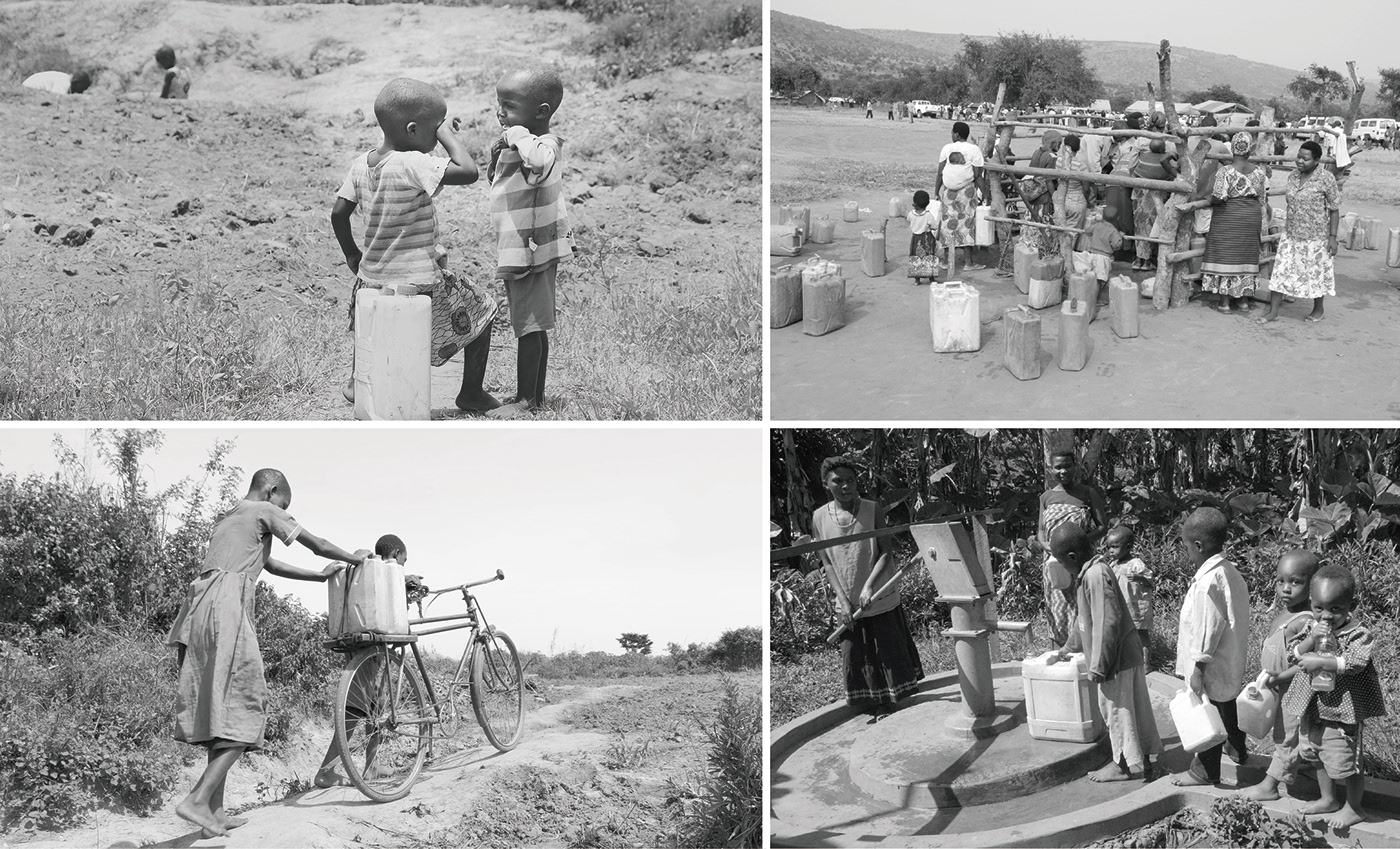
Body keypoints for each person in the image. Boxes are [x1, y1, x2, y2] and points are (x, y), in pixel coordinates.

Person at [166, 469, 365, 837]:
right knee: (249, 705)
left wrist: (318, 576)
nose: (283, 511)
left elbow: (269, 564)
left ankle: (215, 812)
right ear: (272, 491)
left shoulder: (230, 517)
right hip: (227, 607)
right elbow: (317, 544)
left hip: (198, 610)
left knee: (222, 711)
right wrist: (358, 561)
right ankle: (197, 800)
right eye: (283, 504)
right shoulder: (264, 510)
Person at [332, 78, 498, 412]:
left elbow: (338, 213)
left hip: (371, 276)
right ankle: (471, 392)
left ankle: (356, 382)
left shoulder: (361, 164)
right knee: (483, 311)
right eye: (433, 130)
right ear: (412, 130)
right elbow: (469, 171)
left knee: (370, 328)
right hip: (418, 280)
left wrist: (351, 253)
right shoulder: (411, 162)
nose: (435, 139)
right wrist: (447, 135)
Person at [484, 66, 573, 419]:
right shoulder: (521, 146)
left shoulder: (544, 146)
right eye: (499, 104)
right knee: (532, 325)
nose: (500, 113)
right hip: (521, 248)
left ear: (541, 112)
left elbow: (539, 160)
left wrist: (517, 134)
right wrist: (499, 151)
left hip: (532, 251)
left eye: (509, 106)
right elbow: (500, 180)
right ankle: (534, 394)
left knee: (529, 326)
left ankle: (526, 400)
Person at [805, 456, 923, 721]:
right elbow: (827, 563)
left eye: (850, 480)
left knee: (886, 648)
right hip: (846, 597)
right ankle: (870, 702)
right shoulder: (819, 517)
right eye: (838, 481)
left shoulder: (872, 509)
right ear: (826, 484)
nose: (846, 486)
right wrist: (843, 600)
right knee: (858, 652)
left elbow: (885, 551)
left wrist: (869, 586)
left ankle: (887, 704)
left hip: (878, 593)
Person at [1051, 524, 1161, 782]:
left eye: (1061, 563)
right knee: (1134, 711)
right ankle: (1143, 760)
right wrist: (1068, 647)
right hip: (1125, 654)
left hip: (1115, 660)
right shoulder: (1093, 572)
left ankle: (1121, 767)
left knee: (1116, 712)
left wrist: (1100, 665)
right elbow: (1084, 619)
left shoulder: (1094, 576)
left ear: (1072, 557)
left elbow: (1107, 622)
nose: (1063, 568)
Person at [1288, 564, 1387, 829]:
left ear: (1350, 605)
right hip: (1314, 706)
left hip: (1343, 711)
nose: (1326, 616)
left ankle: (1354, 808)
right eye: (1319, 608)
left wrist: (1323, 662)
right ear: (1311, 603)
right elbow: (1292, 654)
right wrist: (1310, 641)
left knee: (1347, 758)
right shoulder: (1311, 627)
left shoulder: (1357, 634)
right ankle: (1328, 798)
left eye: (1335, 609)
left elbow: (1356, 662)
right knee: (1317, 753)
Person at [315, 533, 409, 789]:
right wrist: (362, 556)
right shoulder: (371, 564)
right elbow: (358, 555)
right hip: (365, 647)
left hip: (374, 648)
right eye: (404, 560)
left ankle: (372, 765)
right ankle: (326, 771)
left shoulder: (383, 578)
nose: (402, 566)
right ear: (397, 555)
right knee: (356, 708)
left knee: (375, 705)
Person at [1172, 507, 1251, 787]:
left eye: (1186, 547)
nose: (1187, 554)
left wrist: (1197, 669)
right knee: (1225, 702)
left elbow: (1207, 629)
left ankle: (1205, 771)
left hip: (1210, 663)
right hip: (1229, 657)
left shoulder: (1208, 581)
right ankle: (1237, 748)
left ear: (1198, 546)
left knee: (1208, 712)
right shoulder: (1229, 572)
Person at [1239, 549, 1321, 802]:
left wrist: (1281, 676)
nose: (1286, 588)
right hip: (1278, 686)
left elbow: (1308, 663)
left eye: (1295, 582)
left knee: (1287, 736)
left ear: (1312, 585)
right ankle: (1304, 766)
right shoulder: (1286, 612)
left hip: (1294, 690)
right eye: (1280, 581)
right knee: (1288, 733)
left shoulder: (1306, 621)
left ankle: (1271, 785)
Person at [1257, 141, 1339, 323]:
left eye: (1305, 159)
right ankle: (1273, 312)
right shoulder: (1293, 176)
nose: (1300, 161)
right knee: (1280, 271)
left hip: (1316, 236)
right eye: (1298, 157)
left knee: (1315, 273)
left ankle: (1318, 308)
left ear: (1316, 160)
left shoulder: (1326, 178)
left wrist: (1333, 237)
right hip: (1291, 234)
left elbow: (1334, 209)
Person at [1036, 450, 1108, 648]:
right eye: (1058, 467)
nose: (1063, 471)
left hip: (1080, 561)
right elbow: (1041, 530)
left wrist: (1078, 541)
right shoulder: (1046, 497)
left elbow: (1102, 527)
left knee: (1083, 606)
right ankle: (1059, 653)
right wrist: (1045, 545)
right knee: (1056, 608)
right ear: (1050, 469)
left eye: (1067, 465)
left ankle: (1086, 653)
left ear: (1075, 467)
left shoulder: (1087, 493)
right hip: (1053, 563)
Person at [1201, 133, 1268, 313]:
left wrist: (1207, 197)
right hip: (1251, 217)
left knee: (1225, 255)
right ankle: (1243, 301)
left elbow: (1219, 197)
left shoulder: (1225, 171)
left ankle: (1224, 303)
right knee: (1246, 256)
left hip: (1229, 217)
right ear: (1249, 149)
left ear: (1232, 148)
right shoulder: (1259, 173)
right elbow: (1262, 199)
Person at [935, 121, 987, 272]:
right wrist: (986, 194)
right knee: (967, 225)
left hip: (949, 192)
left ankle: (946, 261)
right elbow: (978, 175)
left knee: (947, 224)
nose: (951, 134)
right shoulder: (974, 150)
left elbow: (940, 173)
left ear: (957, 134)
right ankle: (968, 263)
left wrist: (936, 191)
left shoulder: (947, 148)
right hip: (967, 192)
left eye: (952, 132)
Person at [1104, 525, 1153, 667]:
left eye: (1115, 547)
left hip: (1136, 608)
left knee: (1141, 635)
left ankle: (1146, 664)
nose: (1111, 550)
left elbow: (1150, 581)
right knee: (1123, 635)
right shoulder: (1113, 564)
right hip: (1121, 607)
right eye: (1109, 547)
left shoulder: (1136, 564)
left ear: (1128, 547)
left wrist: (1139, 577)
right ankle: (1128, 661)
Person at [1022, 129, 1063, 259]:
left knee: (1032, 224)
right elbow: (1049, 180)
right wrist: (1055, 197)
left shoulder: (1037, 153)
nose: (1060, 146)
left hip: (1032, 197)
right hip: (1044, 198)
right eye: (1059, 143)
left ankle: (1030, 251)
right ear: (1054, 143)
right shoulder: (1052, 157)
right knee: (1045, 226)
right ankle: (1044, 253)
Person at [1073, 206, 1123, 303]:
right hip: (1103, 258)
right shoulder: (1113, 230)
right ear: (1117, 219)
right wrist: (1120, 237)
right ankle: (1095, 300)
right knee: (1100, 281)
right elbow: (1117, 244)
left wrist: (1092, 238)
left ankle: (1090, 297)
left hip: (1092, 254)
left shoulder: (1097, 225)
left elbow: (1087, 231)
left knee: (1093, 277)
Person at [906, 189, 939, 284]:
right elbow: (935, 226)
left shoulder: (911, 214)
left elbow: (909, 220)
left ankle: (917, 279)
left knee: (916, 257)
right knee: (929, 257)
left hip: (915, 239)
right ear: (927, 203)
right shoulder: (928, 215)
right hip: (926, 238)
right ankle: (931, 278)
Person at [1062, 134, 1091, 232]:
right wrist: (1089, 200)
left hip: (1061, 199)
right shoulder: (1081, 166)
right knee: (1072, 233)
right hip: (1076, 202)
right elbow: (1086, 188)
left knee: (1060, 230)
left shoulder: (1058, 161)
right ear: (1078, 148)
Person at [21, 69, 90, 95]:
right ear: (76, 82)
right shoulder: (65, 83)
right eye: (81, 89)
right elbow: (56, 97)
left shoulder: (64, 77)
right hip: (27, 90)